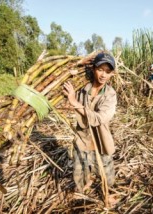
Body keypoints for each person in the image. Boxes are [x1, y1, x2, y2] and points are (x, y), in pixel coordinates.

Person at [63, 52, 117, 193]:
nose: (103, 75)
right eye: (100, 70)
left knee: (107, 172)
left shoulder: (110, 94)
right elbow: (68, 96)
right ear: (93, 69)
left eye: (108, 71)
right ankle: (82, 189)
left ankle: (106, 192)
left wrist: (75, 103)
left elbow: (100, 118)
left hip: (101, 138)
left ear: (112, 74)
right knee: (79, 168)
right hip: (83, 136)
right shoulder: (82, 89)